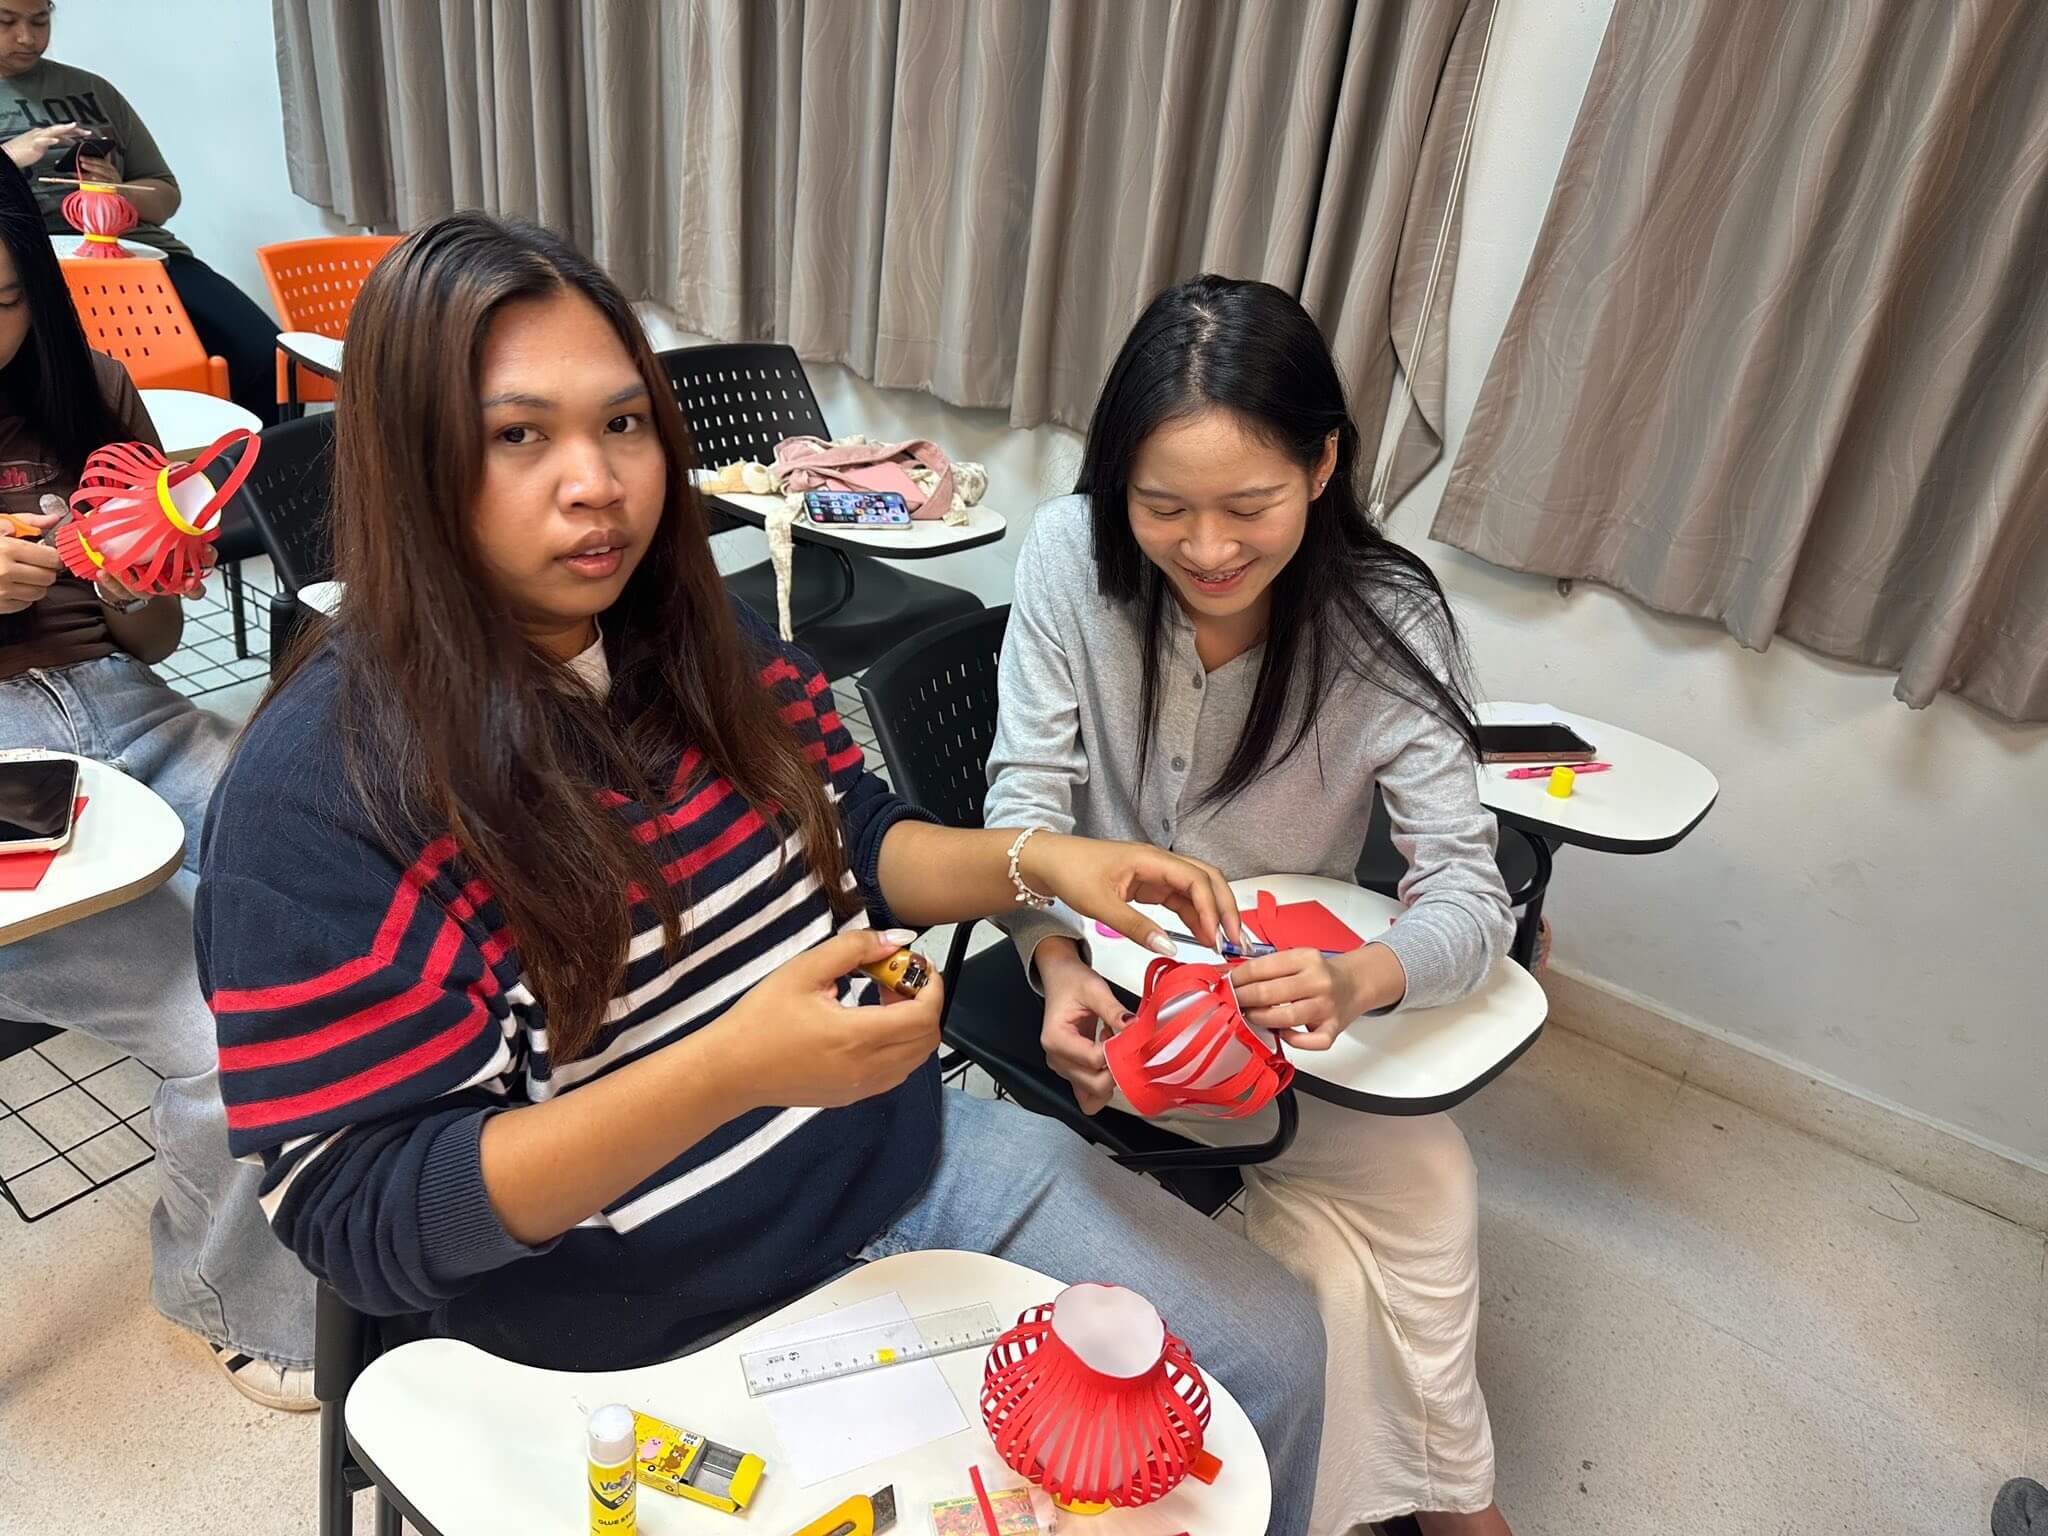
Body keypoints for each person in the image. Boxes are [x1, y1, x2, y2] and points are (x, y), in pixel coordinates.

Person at [194, 214, 1328, 1535]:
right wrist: (730, 1070)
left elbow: (854, 834)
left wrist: (1044, 862)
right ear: (411, 461)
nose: (596, 483)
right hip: (631, 1311)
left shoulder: (692, 634)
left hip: (897, 1157)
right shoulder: (321, 793)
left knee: (1267, 1358)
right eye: (519, 436)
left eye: (623, 424)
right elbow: (366, 1212)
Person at [985, 275, 1518, 1536]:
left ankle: (1388, 1502)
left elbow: (1468, 890)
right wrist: (1056, 968)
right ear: (1115, 482)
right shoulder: (1068, 556)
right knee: (1409, 1186)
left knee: (1371, 1217)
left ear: (1323, 465)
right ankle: (1450, 1509)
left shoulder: (1385, 620)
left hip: (1283, 1014)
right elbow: (1023, 809)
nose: (1207, 549)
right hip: (1123, 1006)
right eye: (1162, 506)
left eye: (1248, 506)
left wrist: (1359, 979)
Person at [0, 152, 314, 1408]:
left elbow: (152, 637)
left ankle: (385, 1183)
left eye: (4, 302)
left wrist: (134, 585)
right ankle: (232, 1298)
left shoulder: (90, 389)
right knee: (216, 1021)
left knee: (340, 887)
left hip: (124, 704)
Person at [0, 2, 280, 425]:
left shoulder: (93, 90)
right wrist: (8, 159)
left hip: (140, 255)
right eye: (7, 22)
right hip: (31, 267)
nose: (27, 37)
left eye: (40, 20)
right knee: (92, 386)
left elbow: (164, 197)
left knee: (265, 356)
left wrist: (117, 191)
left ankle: (253, 464)